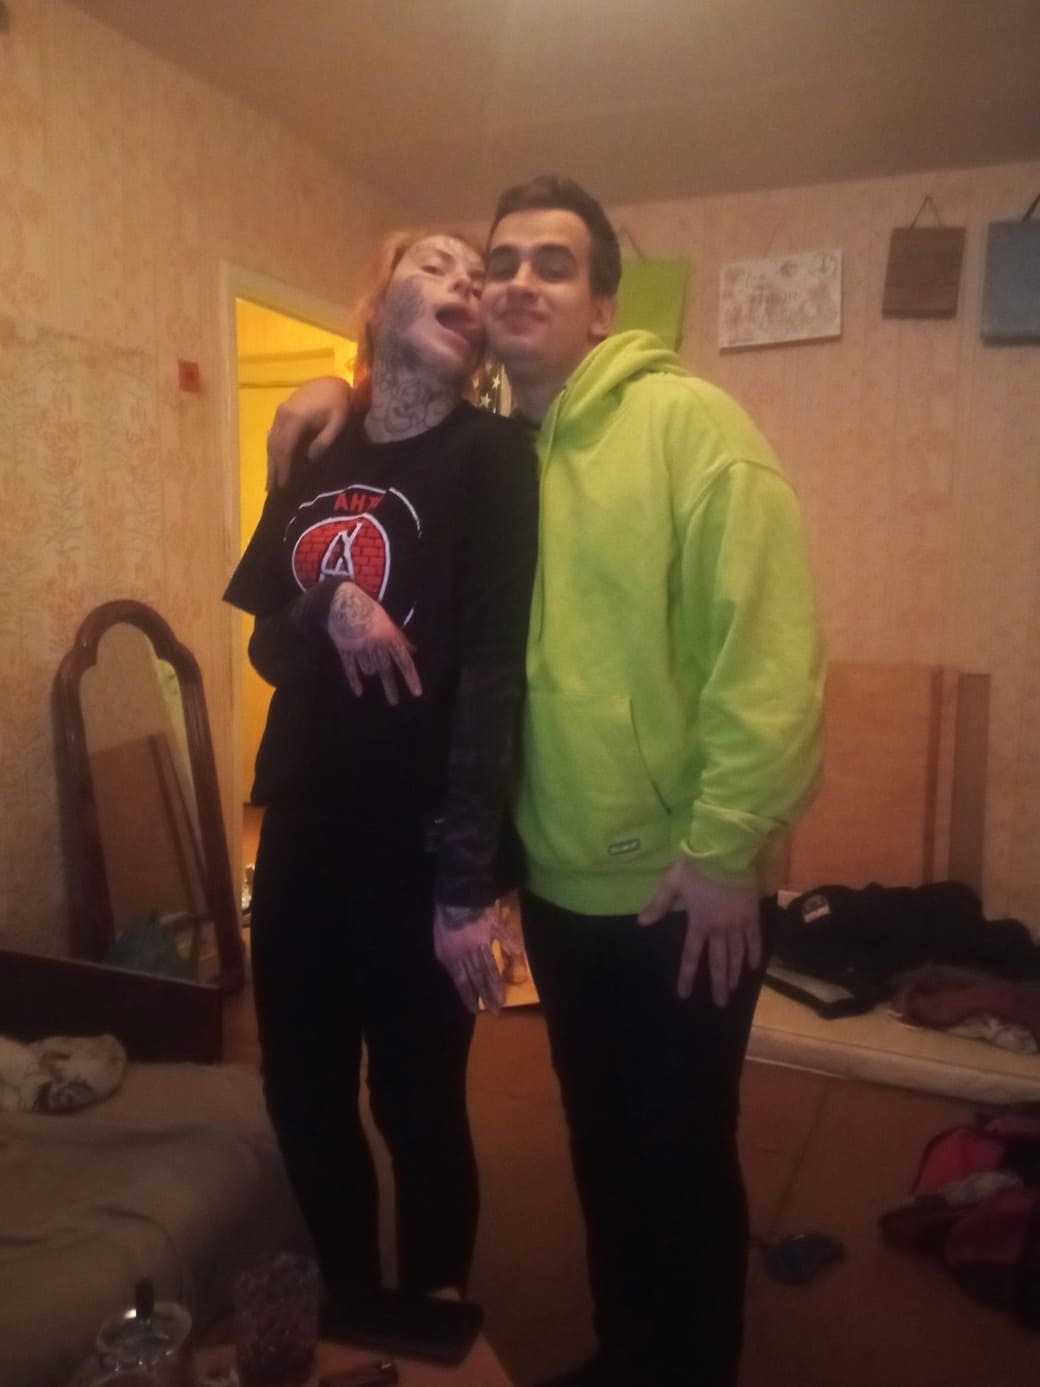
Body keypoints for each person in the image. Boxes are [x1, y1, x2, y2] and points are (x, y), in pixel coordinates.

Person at [266, 177, 824, 1387]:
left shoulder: (688, 426)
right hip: (561, 882)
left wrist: (727, 849)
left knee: (682, 1155)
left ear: (604, 305)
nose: (513, 281)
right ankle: (628, 1355)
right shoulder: (505, 445)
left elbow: (769, 656)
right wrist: (329, 390)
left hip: (679, 883)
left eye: (551, 264)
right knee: (599, 1150)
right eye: (499, 260)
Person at [224, 229, 538, 1304]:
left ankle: (436, 1318)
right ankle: (355, 1304)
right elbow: (268, 649)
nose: (465, 283)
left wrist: (467, 886)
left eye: (473, 278)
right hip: (302, 830)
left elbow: (495, 671)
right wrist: (329, 601)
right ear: (375, 305)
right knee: (301, 1092)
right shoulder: (315, 446)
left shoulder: (493, 456)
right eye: (436, 264)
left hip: (419, 841)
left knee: (417, 1104)